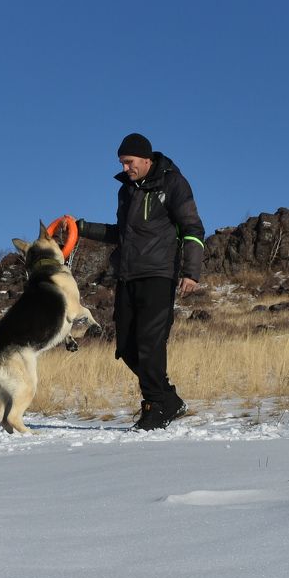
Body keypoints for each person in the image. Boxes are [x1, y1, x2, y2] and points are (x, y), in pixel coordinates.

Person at [75, 133, 205, 430]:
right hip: (127, 276)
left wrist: (191, 271)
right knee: (126, 347)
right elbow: (120, 232)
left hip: (159, 275)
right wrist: (81, 228)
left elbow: (192, 227)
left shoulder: (173, 183)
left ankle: (155, 407)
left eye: (129, 162)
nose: (125, 168)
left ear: (146, 159)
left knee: (150, 343)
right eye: (122, 163)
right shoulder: (126, 191)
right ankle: (170, 400)